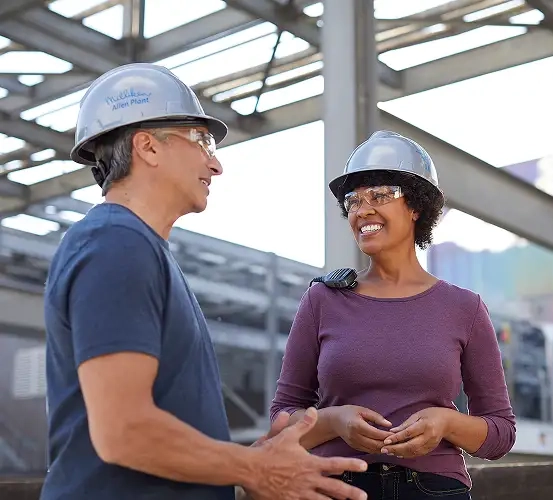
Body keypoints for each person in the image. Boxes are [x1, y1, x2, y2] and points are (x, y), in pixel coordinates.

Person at [40, 63, 369, 500]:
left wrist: (258, 458)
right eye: (202, 141)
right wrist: (254, 468)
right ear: (147, 147)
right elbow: (124, 430)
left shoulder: (138, 250)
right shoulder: (115, 245)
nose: (215, 165)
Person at [270, 130, 516, 499]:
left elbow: (501, 433)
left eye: (381, 195)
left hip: (435, 490)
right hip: (339, 487)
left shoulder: (465, 308)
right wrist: (334, 421)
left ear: (416, 206)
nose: (363, 209)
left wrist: (446, 422)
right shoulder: (321, 300)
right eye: (353, 201)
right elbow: (280, 420)